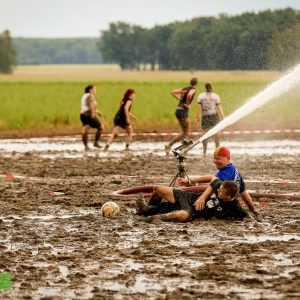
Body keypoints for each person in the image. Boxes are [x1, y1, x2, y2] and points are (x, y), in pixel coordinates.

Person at [176, 146, 260, 217]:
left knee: (200, 188)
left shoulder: (224, 174)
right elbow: (246, 195)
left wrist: (199, 193)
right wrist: (252, 209)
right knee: (203, 184)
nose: (215, 161)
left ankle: (179, 191)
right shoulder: (234, 170)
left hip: (221, 205)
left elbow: (211, 185)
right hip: (227, 198)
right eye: (214, 159)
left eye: (219, 159)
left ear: (228, 159)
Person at [136, 178, 248, 223]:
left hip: (193, 212)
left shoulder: (234, 206)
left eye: (221, 192)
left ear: (228, 197)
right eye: (219, 189)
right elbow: (213, 182)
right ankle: (146, 209)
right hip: (188, 197)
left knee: (179, 215)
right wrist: (202, 197)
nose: (218, 190)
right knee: (157, 189)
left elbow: (245, 215)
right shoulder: (221, 185)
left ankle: (149, 219)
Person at [165, 78, 198, 155]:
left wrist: (178, 99)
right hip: (183, 111)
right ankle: (172, 146)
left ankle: (182, 148)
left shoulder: (184, 89)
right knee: (185, 132)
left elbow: (172, 92)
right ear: (196, 84)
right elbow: (190, 95)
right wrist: (188, 104)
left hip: (178, 110)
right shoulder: (193, 89)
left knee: (185, 132)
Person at [196, 82, 224, 156]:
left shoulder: (201, 96)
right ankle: (217, 151)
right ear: (211, 87)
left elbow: (199, 107)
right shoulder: (215, 96)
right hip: (214, 116)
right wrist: (223, 117)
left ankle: (204, 152)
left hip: (205, 116)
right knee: (216, 134)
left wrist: (197, 117)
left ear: (205, 88)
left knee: (205, 134)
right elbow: (219, 107)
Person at [80, 85, 103, 151]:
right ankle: (96, 142)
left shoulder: (84, 95)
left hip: (82, 115)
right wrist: (93, 113)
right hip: (88, 115)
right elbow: (91, 105)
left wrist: (98, 112)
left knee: (85, 130)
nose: (95, 90)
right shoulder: (90, 96)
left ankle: (86, 146)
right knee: (101, 127)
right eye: (94, 89)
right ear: (90, 90)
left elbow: (87, 106)